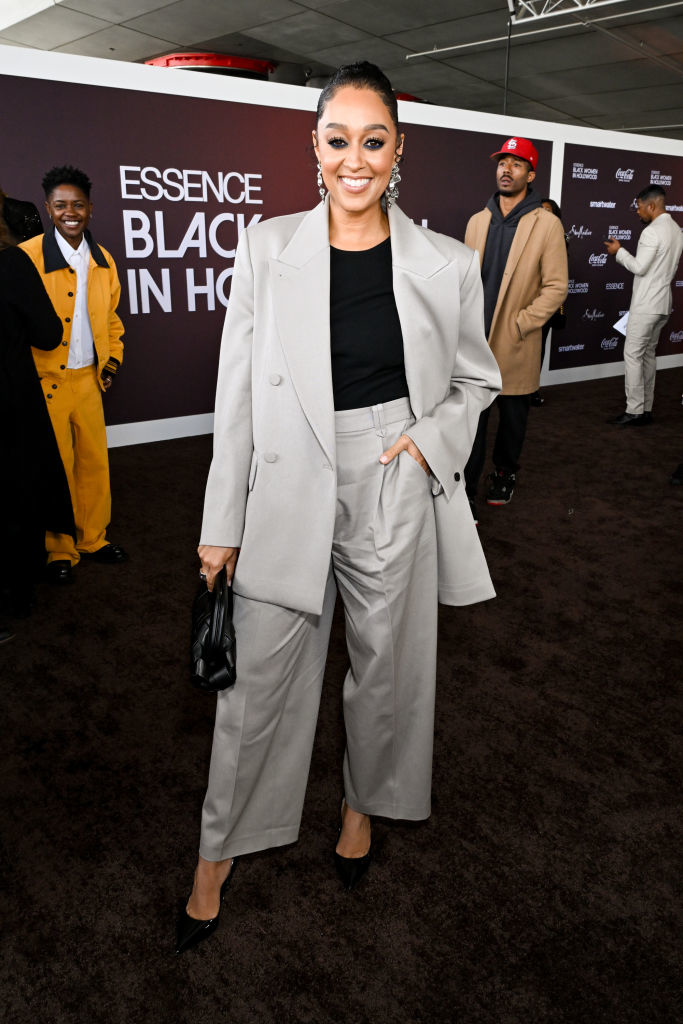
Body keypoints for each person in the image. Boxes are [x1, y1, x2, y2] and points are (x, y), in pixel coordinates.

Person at [176, 61, 502, 955]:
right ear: (312, 145)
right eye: (337, 139)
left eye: (373, 140)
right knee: (256, 685)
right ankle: (218, 852)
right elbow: (234, 396)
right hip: (285, 471)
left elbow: (478, 379)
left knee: (384, 664)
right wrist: (219, 523)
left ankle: (360, 807)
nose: (353, 159)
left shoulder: (447, 262)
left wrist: (426, 441)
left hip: (389, 467)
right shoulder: (264, 246)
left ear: (399, 149)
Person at [19, 166, 127, 583]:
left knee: (94, 465)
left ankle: (93, 539)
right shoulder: (26, 258)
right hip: (45, 383)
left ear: (90, 210)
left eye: (77, 205)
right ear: (48, 208)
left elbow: (112, 322)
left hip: (88, 381)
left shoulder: (104, 262)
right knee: (56, 467)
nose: (70, 212)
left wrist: (111, 359)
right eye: (61, 205)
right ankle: (58, 549)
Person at [463, 138, 568, 516]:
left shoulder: (547, 224)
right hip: (476, 341)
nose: (506, 169)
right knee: (472, 421)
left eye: (517, 164)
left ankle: (505, 473)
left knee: (511, 419)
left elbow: (556, 286)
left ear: (531, 174)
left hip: (516, 341)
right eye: (502, 162)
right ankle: (466, 489)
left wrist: (523, 323)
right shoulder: (477, 221)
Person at [0, 195, 74, 636]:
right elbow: (49, 335)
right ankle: (15, 595)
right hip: (10, 402)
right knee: (16, 491)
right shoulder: (12, 265)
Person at [604, 184, 683, 426]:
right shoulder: (677, 230)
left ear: (651, 206)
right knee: (648, 355)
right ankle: (645, 407)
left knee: (633, 355)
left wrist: (619, 252)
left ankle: (635, 410)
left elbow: (640, 267)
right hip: (663, 305)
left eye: (639, 207)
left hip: (646, 305)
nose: (637, 212)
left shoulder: (651, 232)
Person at [530, 198, 568, 407]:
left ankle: (533, 389)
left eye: (548, 211)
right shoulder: (523, 235)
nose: (544, 214)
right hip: (521, 303)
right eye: (540, 210)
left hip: (545, 304)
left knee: (538, 348)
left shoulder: (560, 239)